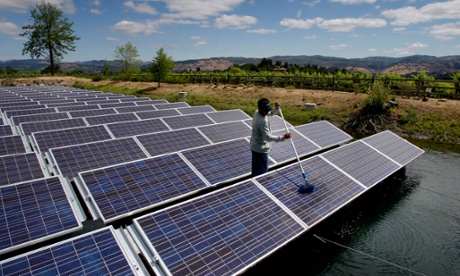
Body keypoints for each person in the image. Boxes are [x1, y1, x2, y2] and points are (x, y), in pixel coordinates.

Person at [250, 98, 291, 177]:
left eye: (267, 109)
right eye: (265, 110)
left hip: (255, 147)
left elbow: (270, 113)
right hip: (260, 150)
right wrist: (283, 137)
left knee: (256, 172)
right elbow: (268, 137)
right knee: (261, 175)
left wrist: (275, 109)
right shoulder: (261, 121)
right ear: (260, 108)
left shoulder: (258, 112)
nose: (267, 112)